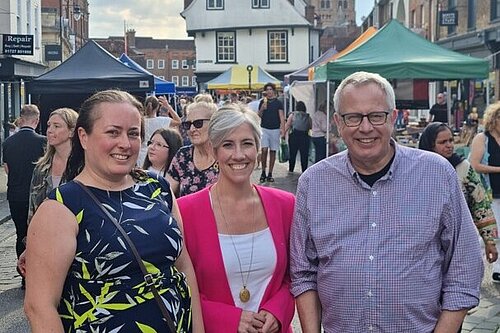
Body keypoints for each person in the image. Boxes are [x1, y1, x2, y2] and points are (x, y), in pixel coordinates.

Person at [290, 71, 483, 333]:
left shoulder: (436, 174)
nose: (365, 127)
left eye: (376, 116)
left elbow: (465, 265)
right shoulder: (314, 182)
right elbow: (303, 272)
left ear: (392, 117)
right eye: (353, 117)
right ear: (337, 122)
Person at [24, 90, 203, 333]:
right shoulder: (61, 208)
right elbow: (40, 307)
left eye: (133, 133)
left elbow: (184, 268)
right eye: (113, 132)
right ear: (84, 137)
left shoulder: (157, 188)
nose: (125, 144)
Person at [178, 103, 295, 333]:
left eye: (247, 144)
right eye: (228, 145)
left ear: (258, 148)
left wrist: (277, 310)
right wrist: (229, 320)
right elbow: (180, 288)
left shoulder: (285, 205)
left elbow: (297, 276)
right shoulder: (185, 211)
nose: (239, 155)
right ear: (213, 150)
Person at [419, 122, 498, 263]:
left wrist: (490, 241)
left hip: (459, 238)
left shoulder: (462, 167)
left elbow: (480, 204)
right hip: (426, 241)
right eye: (442, 142)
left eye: (451, 140)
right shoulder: (418, 170)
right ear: (430, 145)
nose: (449, 145)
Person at [2, 104, 46, 286]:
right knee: (40, 234)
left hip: (15, 194)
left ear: (21, 119)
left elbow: (6, 169)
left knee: (21, 233)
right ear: (36, 120)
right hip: (37, 195)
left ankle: (24, 276)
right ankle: (40, 274)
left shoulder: (8, 142)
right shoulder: (43, 141)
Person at [469, 102, 500, 281]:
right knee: (491, 232)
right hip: (488, 192)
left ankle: (497, 269)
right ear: (494, 119)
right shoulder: (483, 138)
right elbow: (475, 165)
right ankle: (473, 260)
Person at [167, 99, 219, 197]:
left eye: (198, 123)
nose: (192, 129)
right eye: (187, 125)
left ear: (214, 124)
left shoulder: (225, 155)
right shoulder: (183, 156)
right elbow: (167, 193)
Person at [137, 95, 181, 166]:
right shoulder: (162, 121)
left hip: (141, 154)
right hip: (158, 153)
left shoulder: (140, 121)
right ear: (158, 107)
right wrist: (168, 106)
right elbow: (178, 121)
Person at [258, 83, 285, 183]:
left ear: (273, 91)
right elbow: (259, 115)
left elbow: (281, 116)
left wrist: (283, 129)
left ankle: (270, 173)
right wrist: (262, 108)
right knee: (264, 150)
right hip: (264, 128)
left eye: (270, 89)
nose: (269, 91)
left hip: (275, 129)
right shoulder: (262, 101)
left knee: (273, 151)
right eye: (267, 90)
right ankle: (263, 171)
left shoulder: (278, 103)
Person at [285, 101, 311, 173]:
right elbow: (310, 126)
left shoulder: (292, 115)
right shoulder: (307, 116)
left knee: (293, 153)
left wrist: (283, 134)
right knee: (304, 154)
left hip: (294, 136)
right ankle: (304, 170)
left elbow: (287, 125)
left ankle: (291, 169)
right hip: (305, 136)